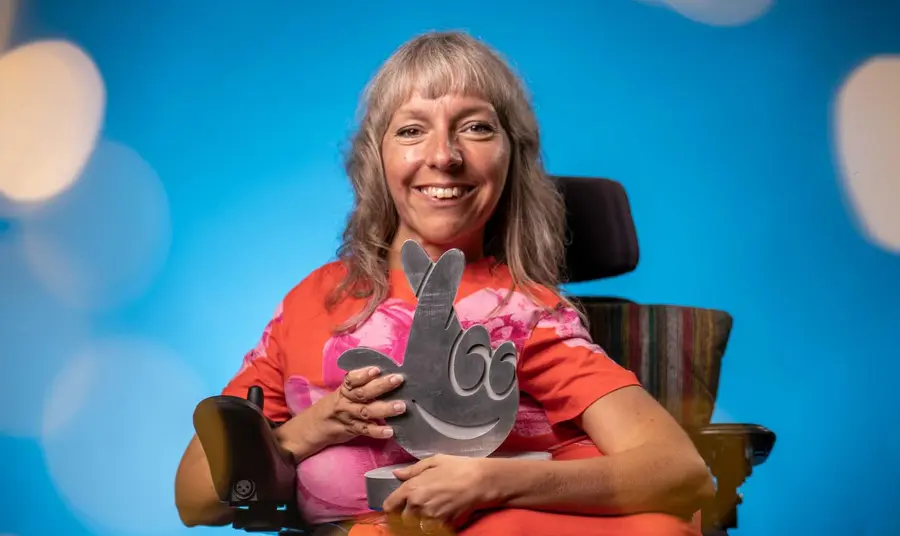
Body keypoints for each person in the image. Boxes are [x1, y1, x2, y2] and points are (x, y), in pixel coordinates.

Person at [175, 30, 714, 536]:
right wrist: (307, 430)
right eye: (411, 130)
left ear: (512, 158)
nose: (444, 156)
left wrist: (491, 483)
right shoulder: (315, 302)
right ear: (375, 160)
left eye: (476, 127)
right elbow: (195, 498)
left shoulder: (524, 312)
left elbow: (680, 472)